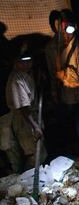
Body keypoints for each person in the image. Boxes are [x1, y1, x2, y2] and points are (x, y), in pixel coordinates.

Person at [46, 9, 79, 157]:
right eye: (61, 30)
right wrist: (54, 94)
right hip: (62, 99)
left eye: (69, 30)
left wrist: (65, 76)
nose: (66, 35)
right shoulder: (51, 48)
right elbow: (51, 74)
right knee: (68, 135)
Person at [5, 42, 46, 173]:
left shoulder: (26, 73)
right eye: (23, 62)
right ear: (15, 62)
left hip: (30, 116)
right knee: (36, 154)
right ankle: (26, 181)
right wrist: (35, 126)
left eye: (29, 61)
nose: (27, 64)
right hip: (24, 120)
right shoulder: (16, 80)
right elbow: (23, 108)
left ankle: (33, 179)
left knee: (40, 152)